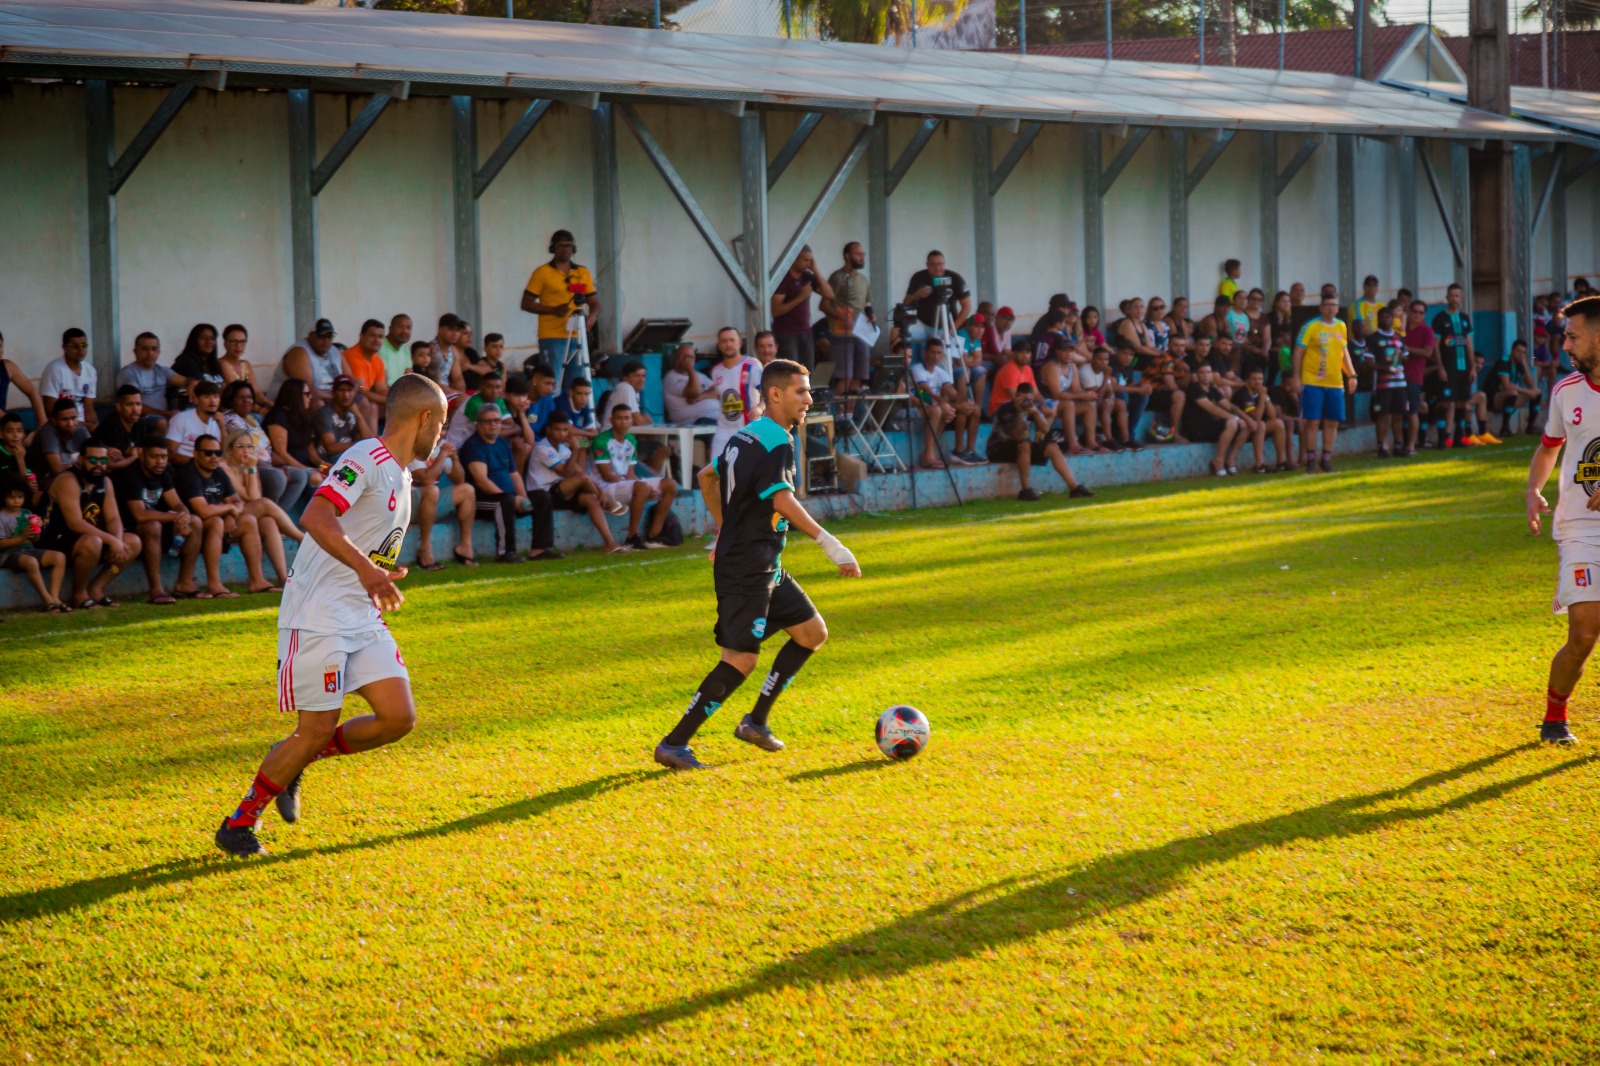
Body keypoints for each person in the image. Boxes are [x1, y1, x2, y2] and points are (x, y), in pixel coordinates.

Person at [213, 373, 448, 857]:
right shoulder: (365, 457)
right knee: (316, 727)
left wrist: (380, 568)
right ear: (424, 418)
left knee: (398, 718)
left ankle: (298, 760)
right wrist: (367, 570)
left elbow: (360, 540)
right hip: (318, 614)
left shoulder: (402, 475)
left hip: (360, 613)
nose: (442, 434)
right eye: (441, 423)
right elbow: (316, 517)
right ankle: (239, 822)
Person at [654, 359, 861, 770]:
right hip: (748, 566)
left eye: (809, 391)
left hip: (762, 562)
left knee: (810, 633)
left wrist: (724, 529)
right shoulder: (777, 442)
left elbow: (705, 476)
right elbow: (782, 500)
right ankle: (674, 744)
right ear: (775, 394)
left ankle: (755, 722)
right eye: (801, 392)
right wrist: (831, 545)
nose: (809, 399)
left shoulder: (746, 434)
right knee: (740, 659)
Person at [1525, 296, 1600, 745]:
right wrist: (1534, 489)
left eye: (1573, 335)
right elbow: (1549, 446)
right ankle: (1555, 719)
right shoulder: (1566, 390)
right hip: (1581, 527)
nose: (1565, 343)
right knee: (1585, 630)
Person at [37, 440, 138, 609]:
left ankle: (97, 589)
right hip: (54, 540)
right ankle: (79, 594)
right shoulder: (68, 480)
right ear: (81, 460)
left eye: (103, 460)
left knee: (133, 542)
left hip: (84, 538)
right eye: (93, 460)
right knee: (93, 541)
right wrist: (112, 541)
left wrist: (118, 541)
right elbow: (75, 523)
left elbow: (113, 518)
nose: (98, 465)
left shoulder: (105, 482)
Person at [177, 433, 275, 596]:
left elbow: (237, 502)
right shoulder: (189, 473)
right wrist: (228, 510)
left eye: (217, 453)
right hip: (191, 527)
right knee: (216, 521)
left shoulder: (218, 472)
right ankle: (215, 585)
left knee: (249, 520)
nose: (214, 457)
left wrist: (230, 514)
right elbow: (203, 511)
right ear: (196, 454)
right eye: (208, 453)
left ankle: (257, 580)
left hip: (218, 523)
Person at [526, 412, 629, 552]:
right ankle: (608, 502)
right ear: (548, 430)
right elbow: (567, 473)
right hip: (543, 494)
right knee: (582, 480)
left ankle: (610, 543)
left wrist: (579, 450)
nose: (562, 434)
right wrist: (575, 449)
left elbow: (579, 471)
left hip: (561, 491)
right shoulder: (542, 448)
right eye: (557, 429)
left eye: (565, 430)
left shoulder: (562, 448)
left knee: (591, 498)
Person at [112, 437, 198, 604]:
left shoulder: (164, 472)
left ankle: (185, 583)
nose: (160, 461)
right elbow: (140, 515)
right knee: (152, 526)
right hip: (127, 528)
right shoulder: (131, 474)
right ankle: (156, 589)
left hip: (155, 523)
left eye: (164, 457)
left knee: (195, 521)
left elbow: (177, 503)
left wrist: (184, 515)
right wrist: (176, 517)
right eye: (154, 456)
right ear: (142, 456)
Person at [222, 428, 303, 589]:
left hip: (245, 517)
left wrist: (251, 470)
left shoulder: (249, 466)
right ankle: (301, 537)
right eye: (241, 446)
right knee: (265, 504)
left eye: (250, 446)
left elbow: (254, 497)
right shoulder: (223, 467)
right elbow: (251, 498)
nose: (246, 451)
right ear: (230, 449)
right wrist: (252, 469)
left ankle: (283, 579)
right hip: (226, 519)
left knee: (268, 522)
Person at [985, 383, 1094, 502]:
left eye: (1029, 399)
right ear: (1016, 396)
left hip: (1020, 446)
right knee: (1025, 443)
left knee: (1052, 447)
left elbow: (1045, 429)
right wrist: (1018, 412)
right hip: (997, 448)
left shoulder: (1034, 405)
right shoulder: (1006, 408)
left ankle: (1074, 488)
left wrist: (1036, 412)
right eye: (1023, 398)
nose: (1026, 402)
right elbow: (1017, 435)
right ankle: (1025, 490)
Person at [593, 406, 680, 550]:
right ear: (611, 420)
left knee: (670, 484)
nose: (623, 422)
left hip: (623, 483)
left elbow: (630, 472)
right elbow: (606, 475)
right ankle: (632, 537)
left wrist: (639, 484)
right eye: (619, 418)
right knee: (642, 487)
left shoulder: (631, 440)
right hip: (605, 487)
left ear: (632, 420)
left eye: (627, 418)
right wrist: (638, 486)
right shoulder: (602, 440)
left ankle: (654, 535)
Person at [1291, 292, 1358, 473]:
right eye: (1327, 305)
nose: (1330, 308)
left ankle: (1326, 459)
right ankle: (1311, 459)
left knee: (1332, 421)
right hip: (1312, 381)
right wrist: (1296, 377)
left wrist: (1351, 375)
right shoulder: (1311, 326)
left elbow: (1344, 353)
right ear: (1321, 308)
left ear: (1337, 308)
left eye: (1333, 305)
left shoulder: (1341, 326)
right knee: (1312, 421)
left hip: (1335, 382)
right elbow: (1298, 352)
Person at [523, 230, 600, 386]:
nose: (566, 249)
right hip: (552, 337)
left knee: (574, 385)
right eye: (562, 246)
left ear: (574, 249)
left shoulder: (582, 272)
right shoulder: (542, 273)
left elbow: (595, 303)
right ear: (553, 248)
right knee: (552, 383)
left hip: (577, 337)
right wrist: (554, 310)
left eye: (569, 246)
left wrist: (592, 317)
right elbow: (526, 303)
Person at [459, 399, 531, 562]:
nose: (493, 425)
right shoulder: (474, 446)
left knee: (542, 497)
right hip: (481, 501)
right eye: (488, 421)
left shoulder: (502, 443)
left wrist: (523, 497)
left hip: (506, 498)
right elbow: (482, 481)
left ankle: (540, 549)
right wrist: (512, 500)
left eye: (497, 420)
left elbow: (514, 474)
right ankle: (505, 553)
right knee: (503, 501)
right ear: (478, 424)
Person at [223, 380, 306, 511]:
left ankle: (279, 515)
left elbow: (267, 449)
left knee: (300, 475)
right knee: (277, 477)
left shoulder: (252, 419)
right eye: (241, 397)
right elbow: (246, 454)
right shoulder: (230, 419)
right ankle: (270, 514)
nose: (247, 400)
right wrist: (273, 468)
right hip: (249, 466)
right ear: (231, 400)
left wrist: (282, 464)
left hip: (267, 465)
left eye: (249, 397)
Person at [410, 439, 480, 571]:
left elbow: (459, 480)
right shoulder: (413, 445)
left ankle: (465, 547)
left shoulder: (441, 445)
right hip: (408, 505)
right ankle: (425, 550)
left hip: (430, 503)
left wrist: (454, 458)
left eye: (444, 428)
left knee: (467, 490)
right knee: (432, 489)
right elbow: (426, 479)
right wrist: (442, 455)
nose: (441, 433)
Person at [0, 475, 67, 612]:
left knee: (59, 557)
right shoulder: (1, 516)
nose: (17, 501)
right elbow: (1, 544)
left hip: (28, 550)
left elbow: (35, 540)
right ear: (3, 498)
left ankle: (55, 598)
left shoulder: (27, 513)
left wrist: (37, 530)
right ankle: (47, 600)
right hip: (8, 554)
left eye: (20, 497)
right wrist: (21, 537)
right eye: (11, 497)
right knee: (31, 562)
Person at [770, 245, 834, 372]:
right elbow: (775, 311)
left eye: (811, 260)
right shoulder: (783, 277)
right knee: (791, 371)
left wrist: (815, 269)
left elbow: (829, 294)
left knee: (807, 371)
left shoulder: (807, 276)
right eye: (805, 260)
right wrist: (800, 297)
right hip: (786, 333)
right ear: (794, 258)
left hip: (806, 331)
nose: (808, 263)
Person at [824, 241, 873, 400]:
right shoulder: (837, 278)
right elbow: (824, 305)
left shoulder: (864, 280)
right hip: (842, 333)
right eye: (858, 254)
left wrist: (871, 314)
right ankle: (839, 416)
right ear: (847, 256)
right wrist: (840, 316)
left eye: (862, 254)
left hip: (861, 332)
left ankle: (850, 416)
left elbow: (867, 303)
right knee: (845, 376)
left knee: (859, 375)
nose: (861, 257)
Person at [1432, 284, 1477, 448]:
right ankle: (1443, 437)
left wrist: (1472, 367)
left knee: (1462, 402)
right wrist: (1441, 367)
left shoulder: (1465, 319)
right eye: (1451, 296)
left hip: (1463, 367)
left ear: (1461, 298)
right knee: (1447, 402)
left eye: (1457, 296)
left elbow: (1469, 345)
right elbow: (1436, 346)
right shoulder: (1440, 319)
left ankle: (1459, 437)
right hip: (1449, 368)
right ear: (1447, 298)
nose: (1454, 299)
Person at [708, 326, 764, 459]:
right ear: (719, 345)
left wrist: (760, 408)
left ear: (739, 343)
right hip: (724, 427)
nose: (728, 344)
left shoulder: (752, 365)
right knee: (716, 469)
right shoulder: (716, 371)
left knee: (747, 472)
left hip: (749, 428)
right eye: (724, 341)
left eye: (732, 340)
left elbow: (767, 393)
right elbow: (720, 396)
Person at [1183, 362, 1247, 475]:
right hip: (1197, 429)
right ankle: (1218, 460)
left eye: (1208, 372)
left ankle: (1231, 460)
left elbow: (1228, 406)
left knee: (1247, 425)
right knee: (1232, 423)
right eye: (1201, 372)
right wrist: (1236, 418)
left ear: (1212, 374)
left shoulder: (1212, 389)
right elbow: (1212, 409)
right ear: (1197, 375)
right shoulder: (1194, 388)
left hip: (1210, 425)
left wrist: (1245, 418)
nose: (1205, 375)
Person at [264, 378, 327, 488]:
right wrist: (307, 469)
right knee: (316, 478)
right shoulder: (278, 417)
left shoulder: (301, 417)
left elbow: (311, 451)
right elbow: (281, 453)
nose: (310, 397)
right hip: (290, 468)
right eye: (307, 394)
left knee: (338, 474)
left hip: (307, 466)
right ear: (295, 395)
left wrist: (324, 465)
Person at [909, 339, 962, 469]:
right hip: (915, 406)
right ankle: (928, 456)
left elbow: (952, 392)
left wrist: (963, 403)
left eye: (939, 353)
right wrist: (944, 404)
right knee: (939, 410)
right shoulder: (917, 369)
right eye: (933, 352)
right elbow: (926, 393)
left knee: (947, 410)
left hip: (932, 406)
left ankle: (929, 453)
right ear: (925, 352)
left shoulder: (941, 371)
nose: (936, 356)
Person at [116, 331, 185, 427]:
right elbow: (132, 404)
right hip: (140, 418)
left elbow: (185, 381)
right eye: (145, 349)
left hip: (164, 416)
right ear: (135, 351)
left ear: (158, 352)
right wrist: (165, 414)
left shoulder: (162, 370)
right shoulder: (128, 373)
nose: (150, 353)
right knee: (162, 423)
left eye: (154, 349)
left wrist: (192, 385)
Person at [904, 251, 971, 347]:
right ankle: (902, 360)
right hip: (922, 324)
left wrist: (952, 329)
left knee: (942, 353)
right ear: (927, 265)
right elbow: (906, 302)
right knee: (898, 332)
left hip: (945, 326)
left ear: (944, 263)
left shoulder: (955, 278)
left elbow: (967, 307)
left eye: (940, 264)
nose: (937, 268)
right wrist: (917, 294)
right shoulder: (918, 277)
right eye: (933, 264)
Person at [1367, 306, 1409, 458]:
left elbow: (1405, 355)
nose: (1386, 319)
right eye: (1383, 317)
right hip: (1383, 384)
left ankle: (1398, 445)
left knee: (1398, 415)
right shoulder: (1373, 338)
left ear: (1393, 319)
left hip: (1400, 382)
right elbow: (1369, 362)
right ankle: (1382, 446)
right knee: (1382, 415)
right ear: (1378, 319)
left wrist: (1399, 358)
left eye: (1389, 317)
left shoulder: (1398, 337)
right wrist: (1386, 367)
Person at [270, 319, 342, 407]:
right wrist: (336, 398)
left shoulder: (334, 351)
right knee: (317, 403)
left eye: (329, 336)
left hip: (331, 396)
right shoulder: (299, 352)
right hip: (288, 402)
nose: (326, 340)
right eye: (322, 336)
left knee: (359, 399)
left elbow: (350, 378)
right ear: (310, 336)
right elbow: (307, 389)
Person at [40, 328, 98, 430]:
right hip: (60, 426)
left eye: (84, 345)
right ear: (64, 347)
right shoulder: (54, 370)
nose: (81, 349)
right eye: (75, 346)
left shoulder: (90, 371)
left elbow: (89, 409)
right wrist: (84, 426)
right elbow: (51, 411)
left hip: (83, 427)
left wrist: (95, 426)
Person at [1233, 367, 1289, 473]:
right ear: (1247, 381)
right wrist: (1263, 397)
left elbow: (1273, 416)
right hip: (1242, 430)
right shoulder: (1243, 394)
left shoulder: (1261, 392)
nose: (1257, 382)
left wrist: (1266, 398)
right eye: (1254, 379)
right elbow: (1256, 417)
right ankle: (1259, 465)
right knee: (1261, 424)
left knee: (1278, 423)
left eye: (1260, 379)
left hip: (1256, 428)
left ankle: (1281, 462)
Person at [26, 398, 92, 485]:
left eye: (73, 418)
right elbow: (58, 471)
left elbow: (93, 457)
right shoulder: (47, 432)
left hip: (71, 477)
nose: (71, 424)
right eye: (64, 419)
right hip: (41, 480)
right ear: (54, 420)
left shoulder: (81, 430)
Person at [1403, 299, 1437, 456]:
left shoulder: (1426, 331)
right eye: (1414, 311)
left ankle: (1411, 445)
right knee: (1396, 412)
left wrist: (1408, 349)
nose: (1417, 315)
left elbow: (1428, 352)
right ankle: (1399, 444)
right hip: (1397, 374)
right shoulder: (1402, 328)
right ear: (1409, 312)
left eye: (1421, 312)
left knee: (1413, 411)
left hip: (1414, 376)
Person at [342, 319, 391, 425]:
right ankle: (371, 440)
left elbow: (381, 389)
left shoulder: (377, 359)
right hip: (349, 398)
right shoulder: (353, 355)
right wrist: (390, 401)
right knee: (373, 406)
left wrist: (396, 398)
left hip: (365, 399)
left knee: (403, 406)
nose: (377, 340)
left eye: (380, 336)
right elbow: (361, 391)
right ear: (361, 336)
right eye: (372, 335)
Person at [1489, 339, 1541, 438]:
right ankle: (1504, 428)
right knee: (1512, 392)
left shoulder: (1519, 364)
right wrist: (1528, 392)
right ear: (1512, 350)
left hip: (1510, 397)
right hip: (1494, 398)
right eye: (1518, 351)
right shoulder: (1504, 361)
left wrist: (1525, 364)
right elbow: (1507, 385)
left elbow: (1531, 384)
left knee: (1537, 392)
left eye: (1523, 352)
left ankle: (1531, 426)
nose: (1520, 355)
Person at [91, 385, 148, 473]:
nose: (135, 409)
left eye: (138, 404)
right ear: (119, 407)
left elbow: (142, 454)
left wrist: (127, 457)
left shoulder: (140, 424)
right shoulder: (110, 426)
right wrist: (133, 457)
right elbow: (110, 466)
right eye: (129, 404)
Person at [313, 376, 371, 461]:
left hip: (347, 455)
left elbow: (368, 442)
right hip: (328, 460)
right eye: (342, 390)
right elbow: (330, 448)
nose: (346, 395)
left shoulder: (352, 414)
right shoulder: (325, 414)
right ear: (333, 393)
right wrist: (359, 445)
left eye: (349, 390)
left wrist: (359, 416)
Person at [166, 379, 223, 465]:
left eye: (215, 396)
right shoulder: (181, 419)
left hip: (209, 468)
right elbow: (171, 453)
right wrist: (200, 463)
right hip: (184, 467)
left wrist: (222, 426)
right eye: (207, 397)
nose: (213, 401)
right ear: (195, 399)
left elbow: (222, 453)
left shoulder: (217, 423)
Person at [663, 344, 721, 425]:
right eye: (681, 356)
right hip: (694, 421)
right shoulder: (671, 377)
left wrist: (702, 396)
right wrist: (690, 368)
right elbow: (695, 393)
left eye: (689, 357)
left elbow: (719, 391)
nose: (685, 359)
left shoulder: (700, 375)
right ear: (675, 358)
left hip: (716, 418)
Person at [0, 333, 47, 430]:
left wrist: (43, 423)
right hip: (6, 427)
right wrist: (16, 431)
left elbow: (32, 391)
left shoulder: (8, 367)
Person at [172, 323, 225, 408]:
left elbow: (223, 387)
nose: (208, 342)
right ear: (194, 341)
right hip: (192, 408)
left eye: (212, 338)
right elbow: (201, 389)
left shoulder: (214, 363)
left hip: (212, 408)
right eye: (203, 338)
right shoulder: (187, 360)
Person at [1109, 344, 1149, 451]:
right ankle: (1118, 435)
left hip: (1123, 396)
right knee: (1123, 396)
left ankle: (1130, 434)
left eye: (1131, 355)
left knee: (1143, 397)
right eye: (1125, 353)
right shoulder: (1112, 363)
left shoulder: (1129, 366)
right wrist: (1137, 389)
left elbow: (1130, 385)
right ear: (1118, 353)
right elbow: (1114, 387)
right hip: (1109, 397)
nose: (1128, 357)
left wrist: (1141, 386)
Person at [219, 323, 265, 404]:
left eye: (242, 342)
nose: (238, 346)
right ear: (225, 343)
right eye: (234, 342)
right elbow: (237, 394)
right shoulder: (222, 363)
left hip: (249, 406)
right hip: (232, 409)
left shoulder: (246, 364)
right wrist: (259, 410)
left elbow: (256, 392)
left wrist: (267, 403)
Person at [989, 341, 1037, 417]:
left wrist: (1044, 405)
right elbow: (1016, 398)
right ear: (1014, 354)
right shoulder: (1009, 369)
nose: (1025, 356)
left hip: (1020, 405)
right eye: (1021, 352)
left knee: (1051, 409)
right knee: (1036, 413)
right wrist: (1035, 408)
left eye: (1028, 353)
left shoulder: (1028, 369)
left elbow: (1036, 393)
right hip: (1001, 409)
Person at [0, 414, 39, 502]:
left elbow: (31, 481)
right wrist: (20, 459)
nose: (15, 435)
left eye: (19, 431)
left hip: (24, 498)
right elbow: (13, 486)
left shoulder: (28, 453)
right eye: (9, 431)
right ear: (1, 434)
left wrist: (32, 484)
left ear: (24, 434)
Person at [379, 314, 414, 385]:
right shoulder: (379, 347)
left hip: (399, 391)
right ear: (390, 328)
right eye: (400, 327)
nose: (405, 331)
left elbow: (409, 378)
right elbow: (383, 385)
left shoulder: (405, 350)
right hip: (385, 392)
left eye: (408, 328)